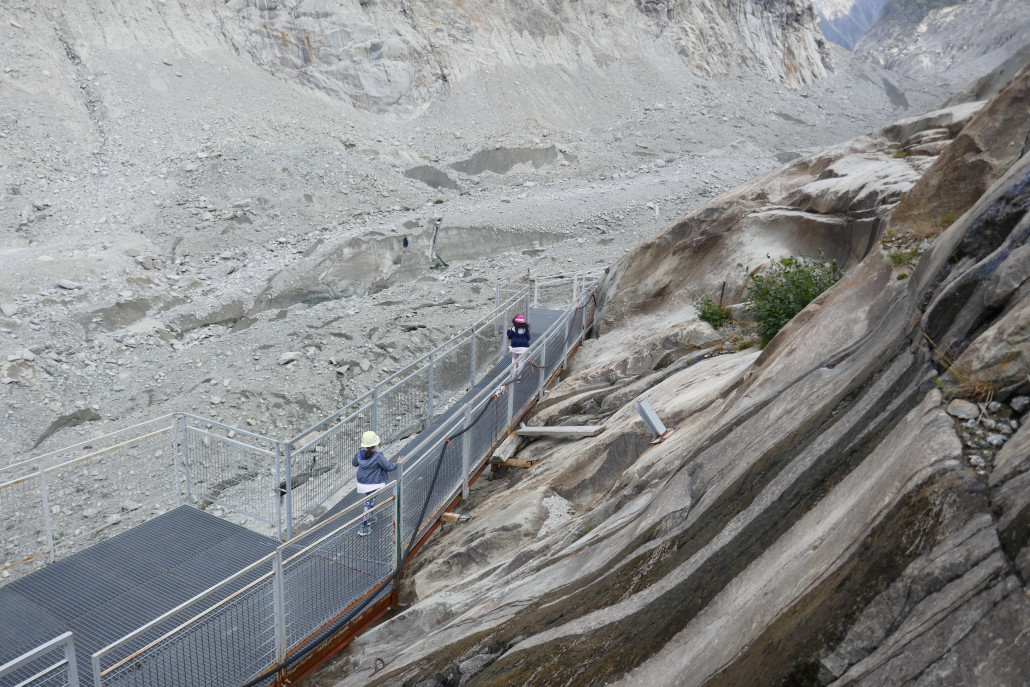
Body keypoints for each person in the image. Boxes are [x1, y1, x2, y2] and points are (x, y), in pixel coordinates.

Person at [352, 430, 397, 536]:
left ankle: (370, 517)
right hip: (374, 483)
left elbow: (354, 463)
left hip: (362, 482)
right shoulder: (378, 456)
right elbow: (388, 467)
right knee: (368, 503)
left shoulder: (359, 454)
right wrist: (397, 463)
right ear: (375, 444)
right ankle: (363, 527)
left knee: (370, 499)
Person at [506, 314, 531, 381]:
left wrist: (509, 331)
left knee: (514, 360)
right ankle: (518, 377)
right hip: (524, 347)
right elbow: (528, 338)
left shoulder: (513, 329)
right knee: (521, 362)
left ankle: (513, 374)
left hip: (515, 347)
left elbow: (509, 337)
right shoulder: (525, 330)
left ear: (515, 323)